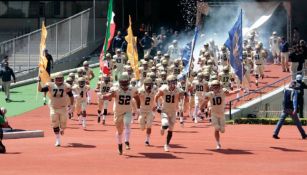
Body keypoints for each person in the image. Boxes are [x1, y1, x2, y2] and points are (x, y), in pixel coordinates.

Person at [101, 72, 140, 155]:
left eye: (126, 83)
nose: (125, 85)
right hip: (118, 112)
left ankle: (126, 141)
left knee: (127, 123)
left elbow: (137, 97)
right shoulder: (116, 89)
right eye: (123, 83)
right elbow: (109, 96)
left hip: (128, 110)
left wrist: (138, 108)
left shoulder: (132, 89)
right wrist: (104, 96)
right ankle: (119, 145)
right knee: (119, 131)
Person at [38, 72, 74, 147]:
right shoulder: (50, 85)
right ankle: (58, 139)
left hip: (63, 107)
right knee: (54, 122)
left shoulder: (66, 86)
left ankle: (62, 129)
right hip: (53, 107)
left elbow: (71, 96)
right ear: (54, 79)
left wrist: (71, 104)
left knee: (63, 123)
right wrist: (39, 82)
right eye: (58, 78)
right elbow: (41, 90)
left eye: (61, 78)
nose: (59, 80)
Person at [200, 80, 239, 150]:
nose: (215, 88)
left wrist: (237, 90)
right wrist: (201, 108)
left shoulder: (223, 92)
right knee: (217, 128)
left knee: (223, 130)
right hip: (214, 113)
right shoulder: (209, 94)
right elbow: (205, 102)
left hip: (221, 114)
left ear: (219, 86)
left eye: (217, 86)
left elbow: (230, 93)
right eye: (214, 86)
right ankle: (218, 144)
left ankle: (218, 141)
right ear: (212, 87)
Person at [154, 75, 184, 152]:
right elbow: (156, 97)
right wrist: (157, 106)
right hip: (165, 110)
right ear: (168, 83)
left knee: (171, 129)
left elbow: (181, 99)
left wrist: (183, 98)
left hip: (173, 111)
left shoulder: (179, 90)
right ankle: (162, 128)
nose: (172, 84)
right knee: (165, 124)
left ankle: (166, 144)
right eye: (170, 82)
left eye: (173, 82)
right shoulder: (163, 89)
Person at [137, 77, 156, 146]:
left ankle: (147, 140)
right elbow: (136, 98)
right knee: (142, 128)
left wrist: (156, 106)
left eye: (150, 84)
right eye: (147, 84)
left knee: (149, 125)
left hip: (149, 110)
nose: (149, 86)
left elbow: (156, 98)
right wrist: (137, 108)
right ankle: (144, 122)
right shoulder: (141, 90)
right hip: (142, 110)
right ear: (144, 84)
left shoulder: (154, 91)